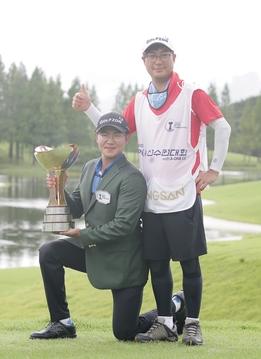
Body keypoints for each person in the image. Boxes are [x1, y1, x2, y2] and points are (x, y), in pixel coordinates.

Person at [72, 36, 232, 345]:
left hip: (184, 194)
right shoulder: (140, 100)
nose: (157, 60)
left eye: (163, 54)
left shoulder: (192, 94)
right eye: (151, 55)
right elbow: (116, 131)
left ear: (174, 57)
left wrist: (214, 169)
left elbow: (221, 127)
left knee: (189, 264)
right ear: (143, 61)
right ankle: (166, 323)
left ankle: (194, 324)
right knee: (157, 264)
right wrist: (89, 108)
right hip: (151, 200)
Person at [30, 112, 186, 341]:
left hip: (123, 262)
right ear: (96, 137)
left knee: (125, 332)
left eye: (117, 135)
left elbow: (123, 226)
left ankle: (176, 305)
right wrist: (58, 188)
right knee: (49, 252)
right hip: (94, 250)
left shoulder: (132, 177)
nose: (110, 140)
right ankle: (62, 323)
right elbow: (76, 208)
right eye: (104, 134)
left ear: (126, 139)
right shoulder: (89, 167)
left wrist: (81, 234)